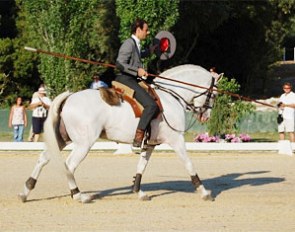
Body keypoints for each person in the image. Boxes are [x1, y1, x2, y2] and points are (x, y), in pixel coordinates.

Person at [115, 18, 159, 148]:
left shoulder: (136, 44)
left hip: (132, 79)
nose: (148, 32)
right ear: (138, 30)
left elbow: (137, 56)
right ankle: (138, 139)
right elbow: (119, 63)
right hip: (126, 79)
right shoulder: (129, 43)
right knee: (151, 105)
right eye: (146, 30)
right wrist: (137, 71)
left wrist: (149, 52)